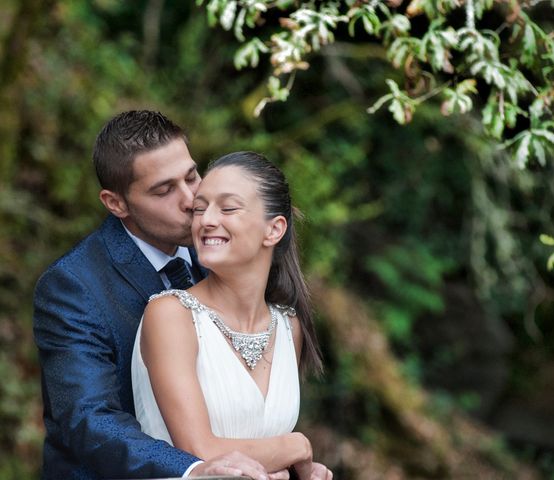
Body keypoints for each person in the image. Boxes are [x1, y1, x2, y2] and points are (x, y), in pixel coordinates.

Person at [33, 111, 271, 479]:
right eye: (164, 190)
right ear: (116, 203)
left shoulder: (223, 255)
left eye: (192, 176)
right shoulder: (72, 287)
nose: (193, 199)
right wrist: (191, 471)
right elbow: (89, 419)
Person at [131, 151, 333, 480]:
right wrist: (296, 447)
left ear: (274, 230)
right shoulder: (171, 315)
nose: (206, 220)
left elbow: (257, 459)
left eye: (228, 208)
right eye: (200, 209)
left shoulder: (288, 325)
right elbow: (198, 450)